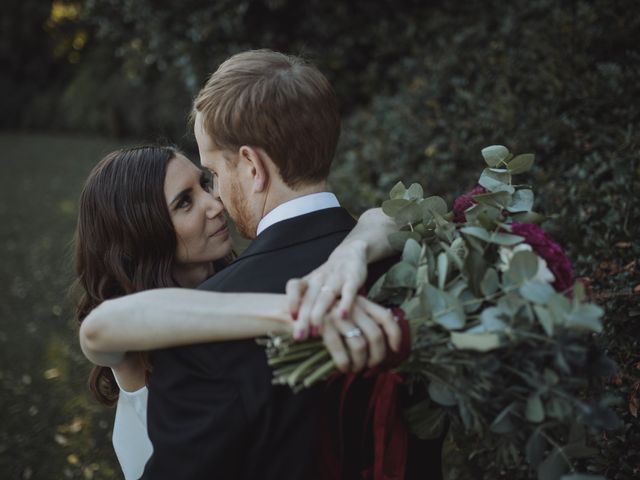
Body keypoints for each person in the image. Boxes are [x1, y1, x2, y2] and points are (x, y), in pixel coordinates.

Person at [74, 145, 400, 479]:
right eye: (184, 202)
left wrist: (352, 251)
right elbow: (97, 329)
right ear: (141, 233)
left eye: (205, 184)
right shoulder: (134, 345)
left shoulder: (243, 279)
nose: (215, 204)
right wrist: (302, 310)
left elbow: (390, 219)